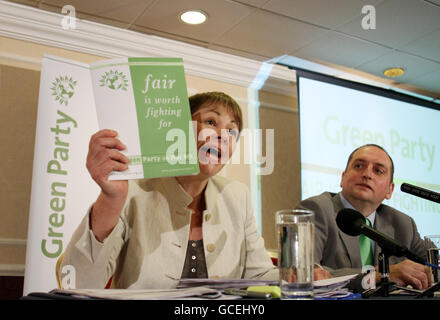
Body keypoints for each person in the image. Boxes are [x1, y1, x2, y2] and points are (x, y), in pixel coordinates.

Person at [296, 144, 432, 290]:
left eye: (378, 171)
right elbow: (306, 274)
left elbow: (435, 266)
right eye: (359, 166)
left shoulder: (403, 223)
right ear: (343, 178)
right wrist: (379, 275)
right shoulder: (315, 210)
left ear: (389, 190)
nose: (367, 174)